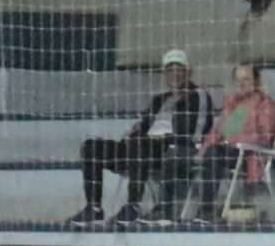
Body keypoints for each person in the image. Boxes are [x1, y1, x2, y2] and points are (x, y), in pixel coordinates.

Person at [73, 49, 212, 228]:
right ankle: (94, 208)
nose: (174, 74)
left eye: (179, 69)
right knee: (92, 147)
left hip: (173, 149)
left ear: (188, 72)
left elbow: (196, 134)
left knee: (139, 143)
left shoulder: (198, 95)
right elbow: (142, 126)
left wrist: (163, 139)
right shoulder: (159, 100)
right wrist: (133, 134)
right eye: (170, 70)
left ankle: (133, 205)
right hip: (141, 148)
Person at [200, 63, 275, 222]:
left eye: (246, 79)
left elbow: (264, 138)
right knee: (209, 152)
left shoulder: (265, 105)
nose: (241, 83)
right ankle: (206, 210)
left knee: (214, 153)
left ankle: (206, 209)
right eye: (238, 80)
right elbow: (220, 132)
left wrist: (234, 142)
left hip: (251, 156)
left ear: (257, 82)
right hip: (231, 153)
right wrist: (202, 150)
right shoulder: (234, 105)